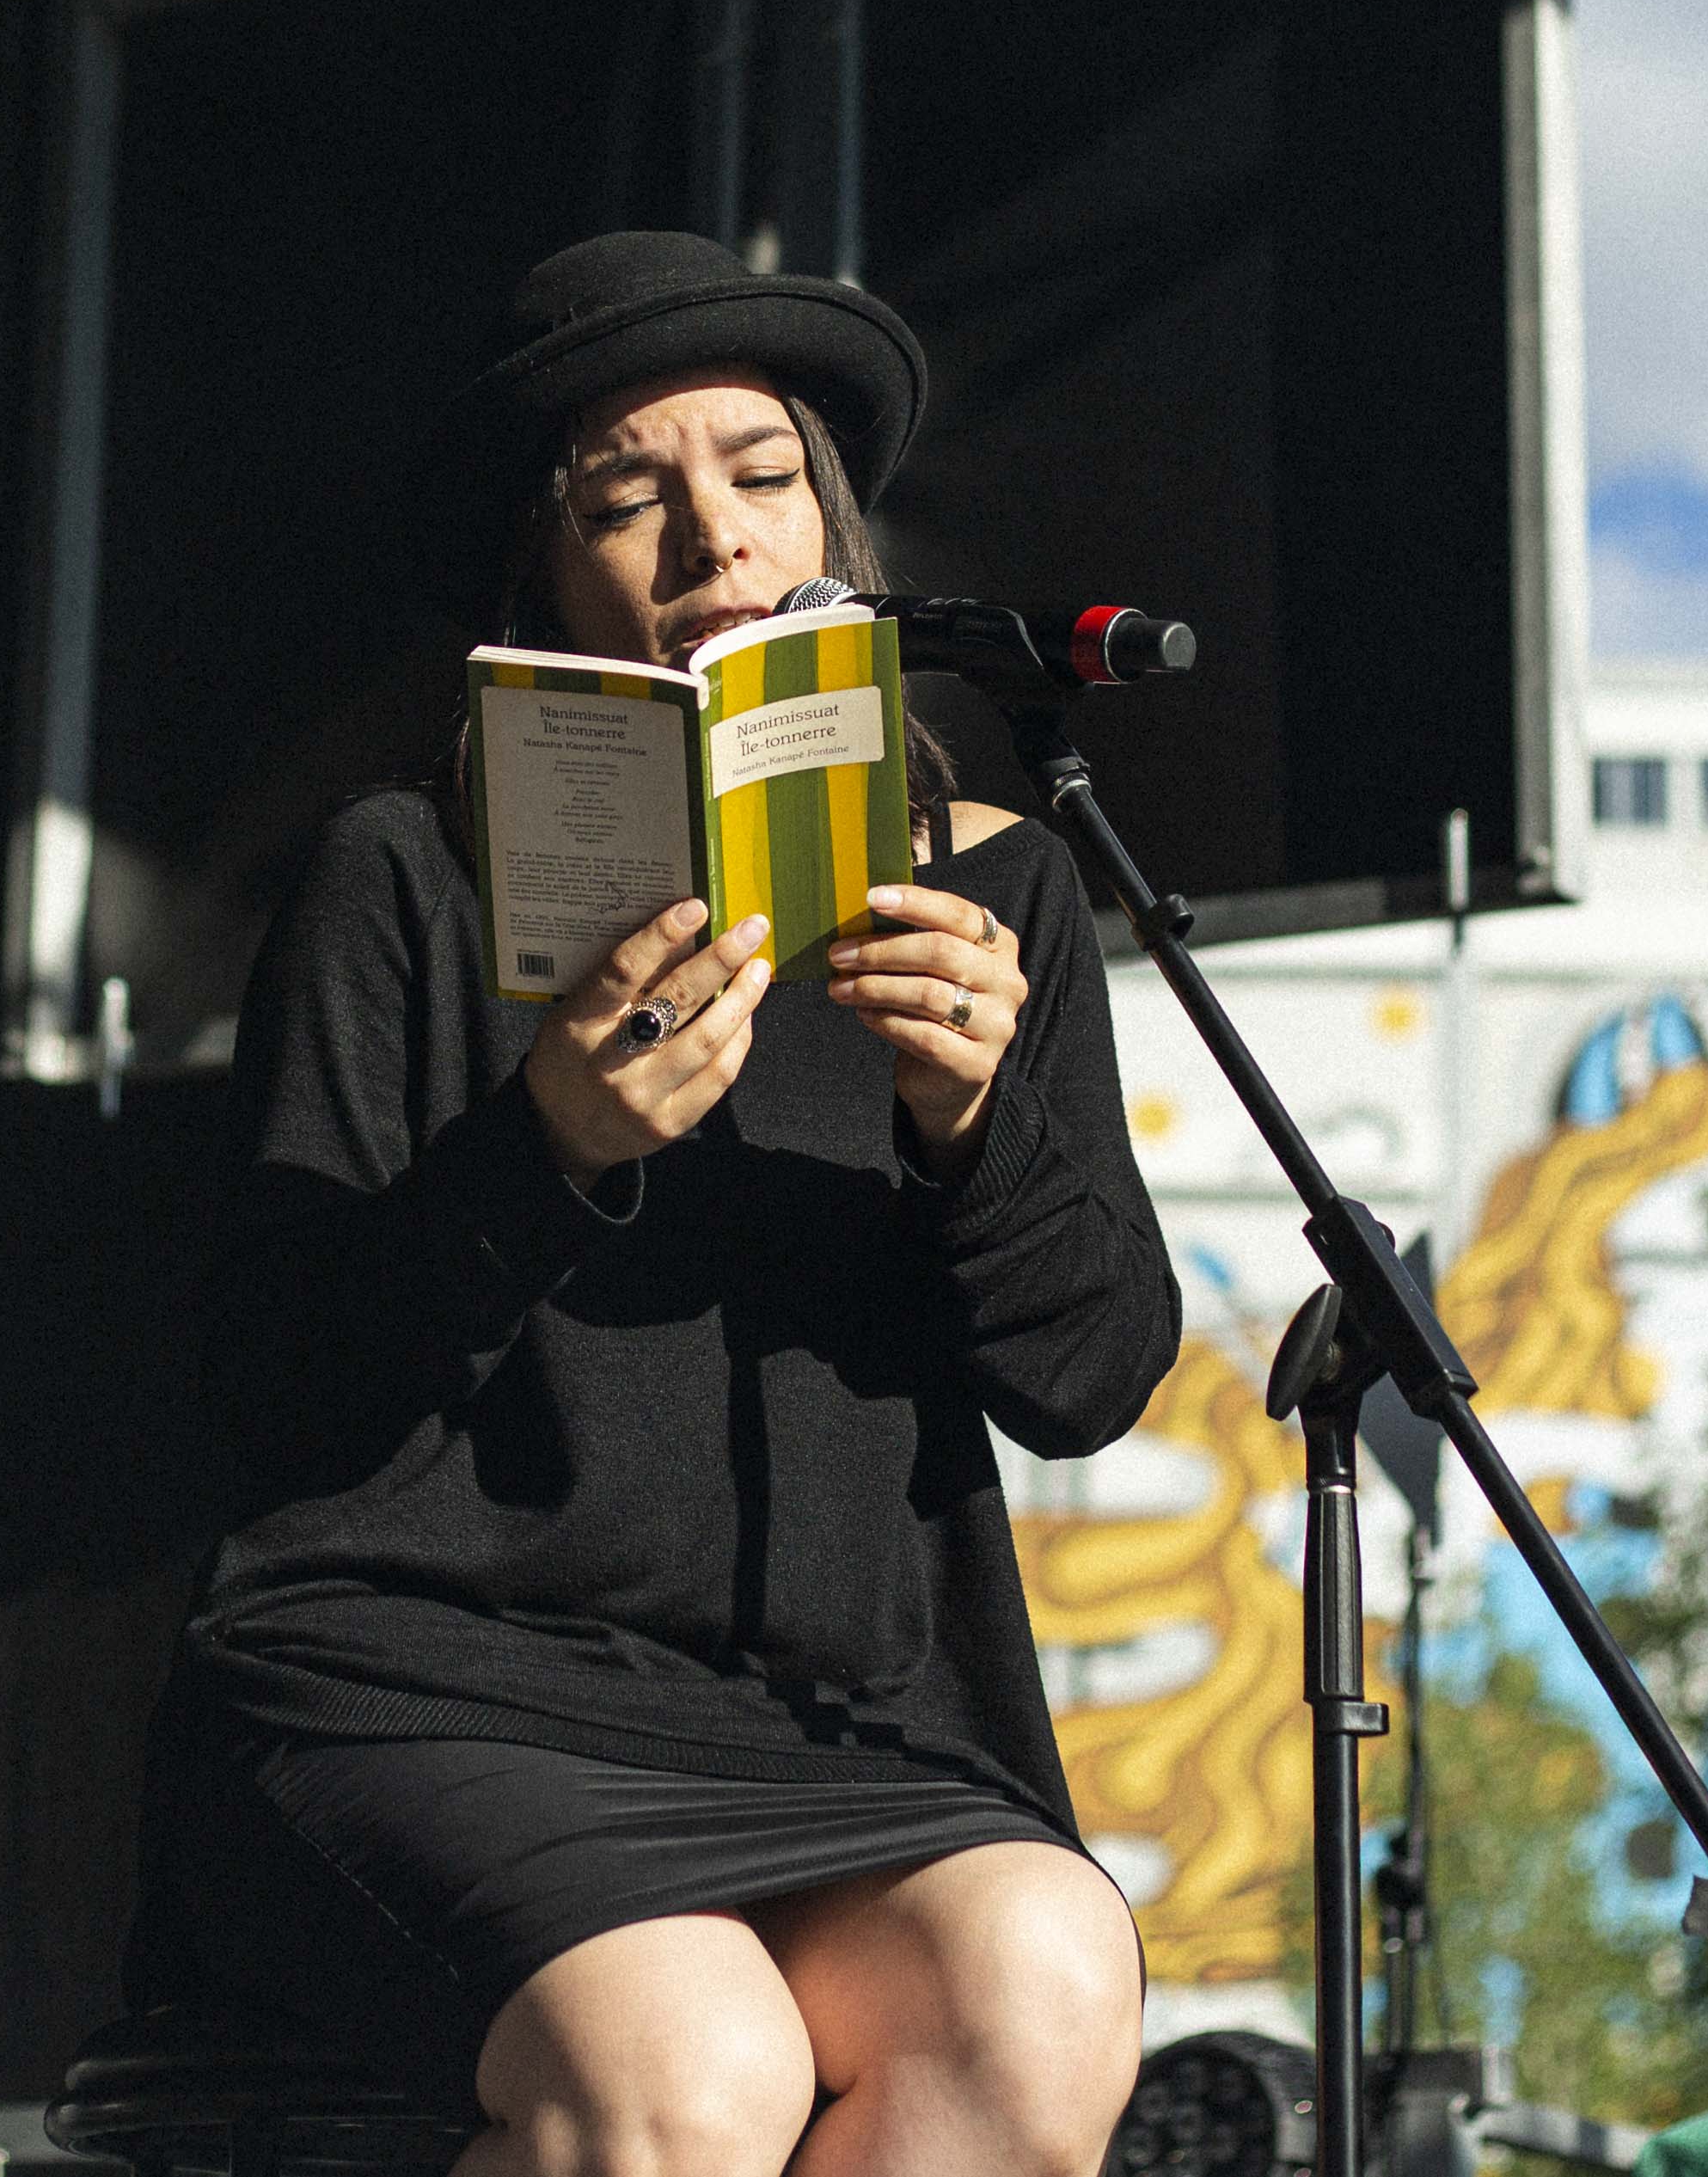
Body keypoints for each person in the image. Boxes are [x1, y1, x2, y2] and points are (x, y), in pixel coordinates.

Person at [119, 231, 1182, 2177]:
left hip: (840, 1720)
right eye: (625, 500)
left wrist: (972, 1123)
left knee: (1044, 1975)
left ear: (834, 524)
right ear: (538, 574)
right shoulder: (401, 873)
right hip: (429, 1685)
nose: (714, 537)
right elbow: (267, 1380)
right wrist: (545, 1140)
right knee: (692, 2062)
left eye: (764, 476)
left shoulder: (999, 889)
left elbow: (1093, 1374)